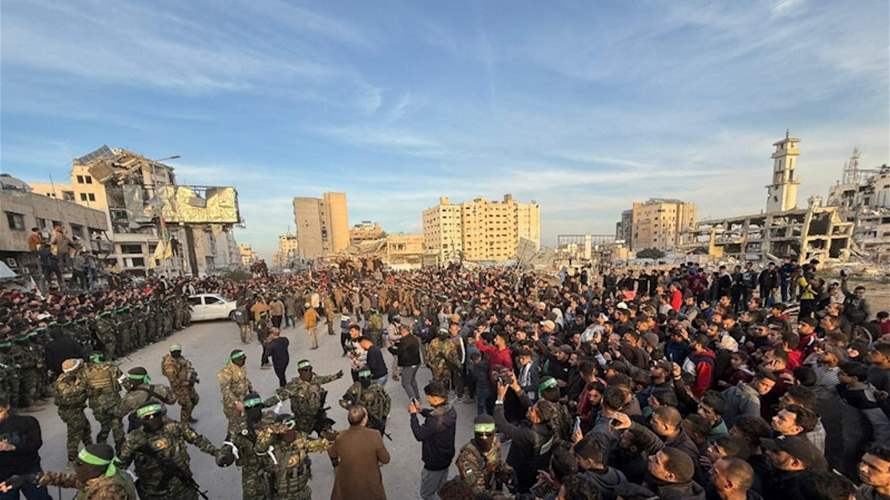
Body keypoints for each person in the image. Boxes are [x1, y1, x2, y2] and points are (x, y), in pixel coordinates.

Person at [116, 402, 232, 500]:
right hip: (154, 493)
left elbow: (197, 440)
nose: (152, 419)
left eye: (155, 415)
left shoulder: (174, 427)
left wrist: (218, 453)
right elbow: (120, 466)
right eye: (147, 417)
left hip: (183, 486)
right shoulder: (133, 439)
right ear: (141, 420)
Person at [1, 443, 137, 499]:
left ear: (96, 467)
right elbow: (68, 479)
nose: (75, 467)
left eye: (79, 464)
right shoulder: (100, 475)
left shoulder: (109, 493)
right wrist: (27, 478)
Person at [265, 360, 342, 436]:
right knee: (301, 441)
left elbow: (325, 379)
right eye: (305, 370)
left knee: (328, 435)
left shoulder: (315, 379)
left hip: (317, 416)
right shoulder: (293, 386)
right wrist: (263, 404)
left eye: (310, 369)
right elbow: (279, 397)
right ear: (299, 371)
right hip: (302, 419)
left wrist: (336, 376)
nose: (308, 372)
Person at [409, 381, 457, 500]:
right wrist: (421, 411)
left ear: (435, 399)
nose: (427, 399)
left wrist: (413, 415)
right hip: (446, 456)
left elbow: (419, 435)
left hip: (434, 461)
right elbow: (434, 414)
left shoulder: (434, 421)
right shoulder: (450, 410)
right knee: (441, 489)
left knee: (427, 494)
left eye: (428, 397)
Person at [329, 406, 390, 500]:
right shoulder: (375, 435)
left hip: (347, 484)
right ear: (364, 420)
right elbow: (385, 459)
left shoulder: (340, 437)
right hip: (369, 485)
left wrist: (337, 467)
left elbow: (332, 453)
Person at [0, 394, 51, 500]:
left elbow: (36, 443)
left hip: (30, 470)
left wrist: (13, 447)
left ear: (7, 407)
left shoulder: (27, 422)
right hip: (4, 475)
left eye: (0, 411)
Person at [54, 358, 92, 466]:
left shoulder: (71, 378)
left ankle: (90, 449)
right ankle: (72, 459)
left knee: (86, 429)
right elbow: (69, 398)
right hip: (71, 412)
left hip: (76, 410)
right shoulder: (63, 382)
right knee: (74, 435)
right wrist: (85, 390)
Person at [83, 352, 125, 450]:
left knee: (105, 425)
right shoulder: (112, 368)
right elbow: (123, 381)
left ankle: (101, 445)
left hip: (97, 405)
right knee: (117, 424)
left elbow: (82, 389)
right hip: (114, 402)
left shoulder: (85, 372)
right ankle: (120, 448)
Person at [339, 369, 391, 435]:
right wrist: (352, 407)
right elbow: (343, 401)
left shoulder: (377, 387)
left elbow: (388, 400)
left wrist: (384, 415)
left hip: (377, 419)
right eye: (363, 378)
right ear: (359, 378)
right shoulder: (356, 388)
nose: (366, 379)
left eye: (368, 377)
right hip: (362, 421)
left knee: (377, 438)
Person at [161, 344, 200, 424]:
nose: (177, 353)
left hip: (187, 384)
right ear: (171, 352)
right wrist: (186, 382)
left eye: (178, 351)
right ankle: (184, 424)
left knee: (195, 399)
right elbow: (173, 380)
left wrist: (192, 376)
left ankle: (188, 416)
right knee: (186, 404)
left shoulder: (180, 358)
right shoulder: (169, 364)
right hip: (179, 387)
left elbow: (187, 368)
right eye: (174, 352)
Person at [218, 349, 254, 435]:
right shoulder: (226, 372)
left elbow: (245, 379)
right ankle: (230, 442)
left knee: (243, 421)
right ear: (236, 360)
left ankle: (243, 438)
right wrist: (236, 402)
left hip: (243, 399)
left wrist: (251, 389)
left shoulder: (241, 367)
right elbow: (226, 390)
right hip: (233, 404)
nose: (244, 361)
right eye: (242, 359)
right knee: (234, 424)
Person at [390, 324, 422, 401]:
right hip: (416, 362)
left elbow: (397, 352)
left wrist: (389, 347)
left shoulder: (405, 340)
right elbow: (402, 344)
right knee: (412, 380)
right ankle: (417, 397)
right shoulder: (411, 337)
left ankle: (414, 401)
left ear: (403, 331)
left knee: (405, 383)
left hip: (409, 364)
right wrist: (395, 343)